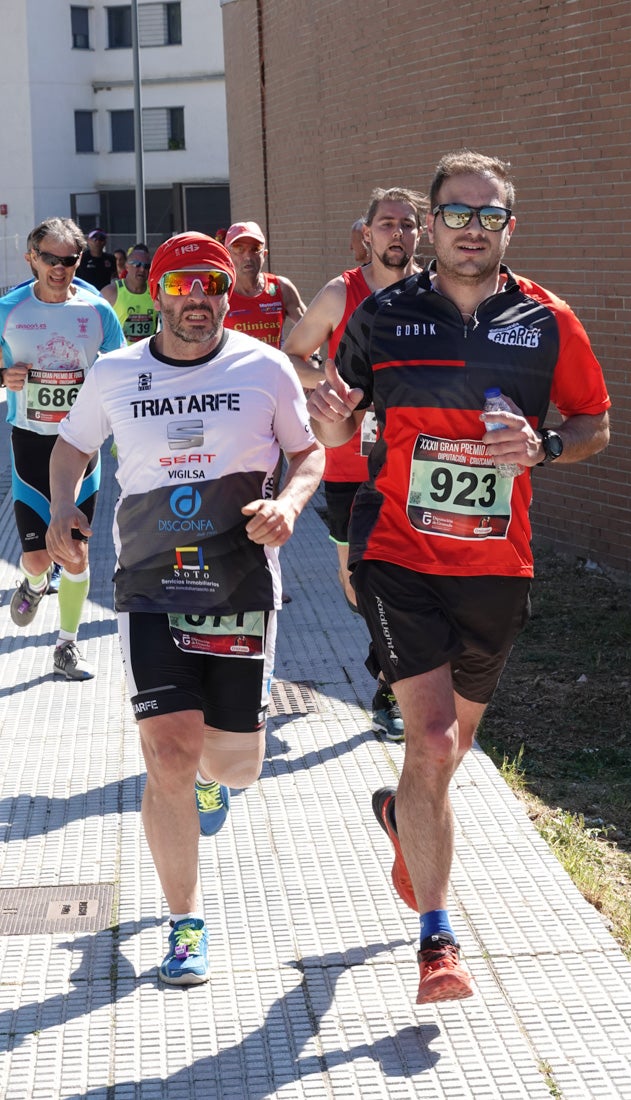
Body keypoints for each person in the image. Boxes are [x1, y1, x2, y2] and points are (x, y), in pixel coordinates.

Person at [306, 151, 611, 1005]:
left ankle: (406, 820)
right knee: (431, 739)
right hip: (398, 553)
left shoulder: (548, 320)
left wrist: (545, 446)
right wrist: (328, 422)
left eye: (488, 215)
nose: (470, 227)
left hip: (497, 565)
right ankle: (436, 943)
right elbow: (340, 433)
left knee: (449, 755)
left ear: (508, 227)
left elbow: (593, 424)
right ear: (428, 222)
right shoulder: (384, 316)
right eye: (455, 212)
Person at [47, 231, 324, 986]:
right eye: (180, 286)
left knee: (234, 766)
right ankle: (184, 921)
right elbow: (71, 448)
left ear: (227, 293)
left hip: (238, 585)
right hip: (149, 582)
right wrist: (62, 510)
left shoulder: (263, 368)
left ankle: (213, 778)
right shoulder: (114, 372)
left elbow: (307, 453)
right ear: (158, 293)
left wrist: (293, 504)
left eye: (211, 286)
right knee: (166, 751)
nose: (196, 300)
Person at [283, 187, 427, 742]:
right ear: (367, 233)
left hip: (414, 461)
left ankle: (391, 689)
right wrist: (337, 386)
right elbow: (292, 355)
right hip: (349, 461)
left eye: (408, 224)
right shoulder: (342, 293)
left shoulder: (435, 292)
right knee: (354, 585)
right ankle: (388, 655)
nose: (398, 233)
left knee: (401, 575)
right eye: (387, 223)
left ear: (421, 232)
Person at [0, 217, 125, 679]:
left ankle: (66, 646)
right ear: (32, 258)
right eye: (49, 258)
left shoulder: (97, 312)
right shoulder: (8, 309)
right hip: (31, 443)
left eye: (69, 259)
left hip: (81, 444)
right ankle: (34, 583)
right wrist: (3, 377)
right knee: (37, 557)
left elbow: (121, 374)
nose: (59, 267)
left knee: (74, 551)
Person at [223, 221, 306, 346]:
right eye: (239, 248)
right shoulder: (219, 293)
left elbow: (312, 328)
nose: (247, 257)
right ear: (227, 255)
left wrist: (312, 357)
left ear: (265, 254)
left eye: (255, 249)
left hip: (273, 366)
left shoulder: (281, 287)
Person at [101, 243, 156, 344]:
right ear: (126, 266)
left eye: (146, 266)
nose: (142, 269)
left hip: (147, 355)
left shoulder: (156, 293)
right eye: (137, 264)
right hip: (120, 356)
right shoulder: (110, 292)